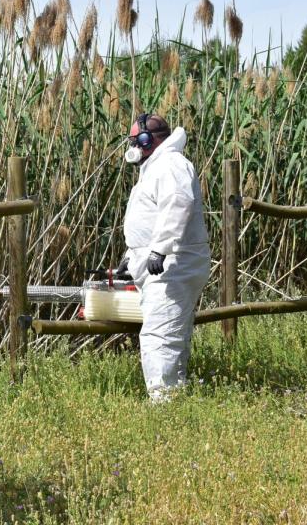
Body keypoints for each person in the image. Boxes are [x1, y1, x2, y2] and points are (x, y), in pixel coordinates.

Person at [116, 114, 211, 403]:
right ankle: (173, 400)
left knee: (160, 337)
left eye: (137, 140)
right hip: (163, 265)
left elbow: (177, 205)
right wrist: (131, 258)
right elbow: (150, 220)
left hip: (173, 265)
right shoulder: (156, 167)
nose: (134, 146)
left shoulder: (170, 164)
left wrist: (160, 249)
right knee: (170, 334)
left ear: (149, 140)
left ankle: (164, 404)